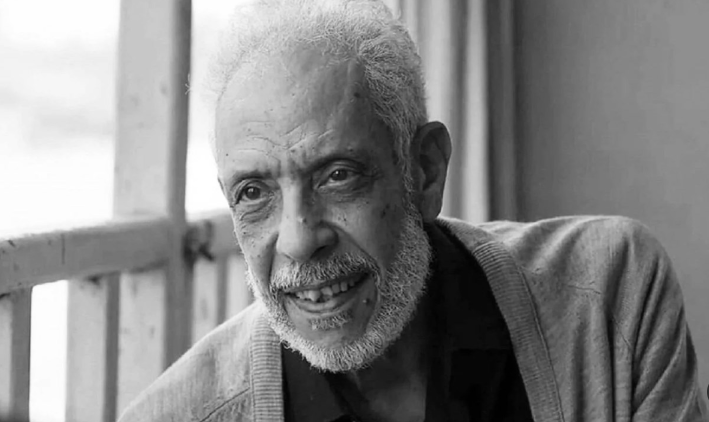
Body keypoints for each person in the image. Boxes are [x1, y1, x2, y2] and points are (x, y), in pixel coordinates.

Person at [118, 1, 707, 421]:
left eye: (337, 175)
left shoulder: (609, 298)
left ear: (424, 170)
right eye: (254, 193)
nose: (297, 240)